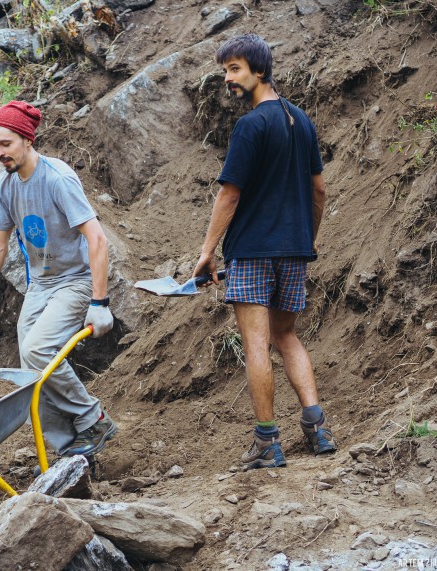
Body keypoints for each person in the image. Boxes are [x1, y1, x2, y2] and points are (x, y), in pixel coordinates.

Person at [193, 34, 337, 470]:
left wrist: (206, 252)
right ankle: (317, 428)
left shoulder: (251, 125)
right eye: (224, 71)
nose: (227, 79)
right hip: (294, 250)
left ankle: (266, 441)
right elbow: (319, 189)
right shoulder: (301, 121)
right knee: (286, 335)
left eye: (234, 70)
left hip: (254, 250)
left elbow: (229, 195)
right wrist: (308, 238)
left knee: (256, 343)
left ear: (259, 71)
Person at [0, 100, 117, 458]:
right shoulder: (5, 189)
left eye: (6, 144)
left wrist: (99, 303)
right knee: (29, 363)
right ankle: (66, 449)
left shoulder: (57, 178)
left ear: (26, 139)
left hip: (75, 281)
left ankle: (93, 418)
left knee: (38, 350)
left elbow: (97, 239)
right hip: (41, 284)